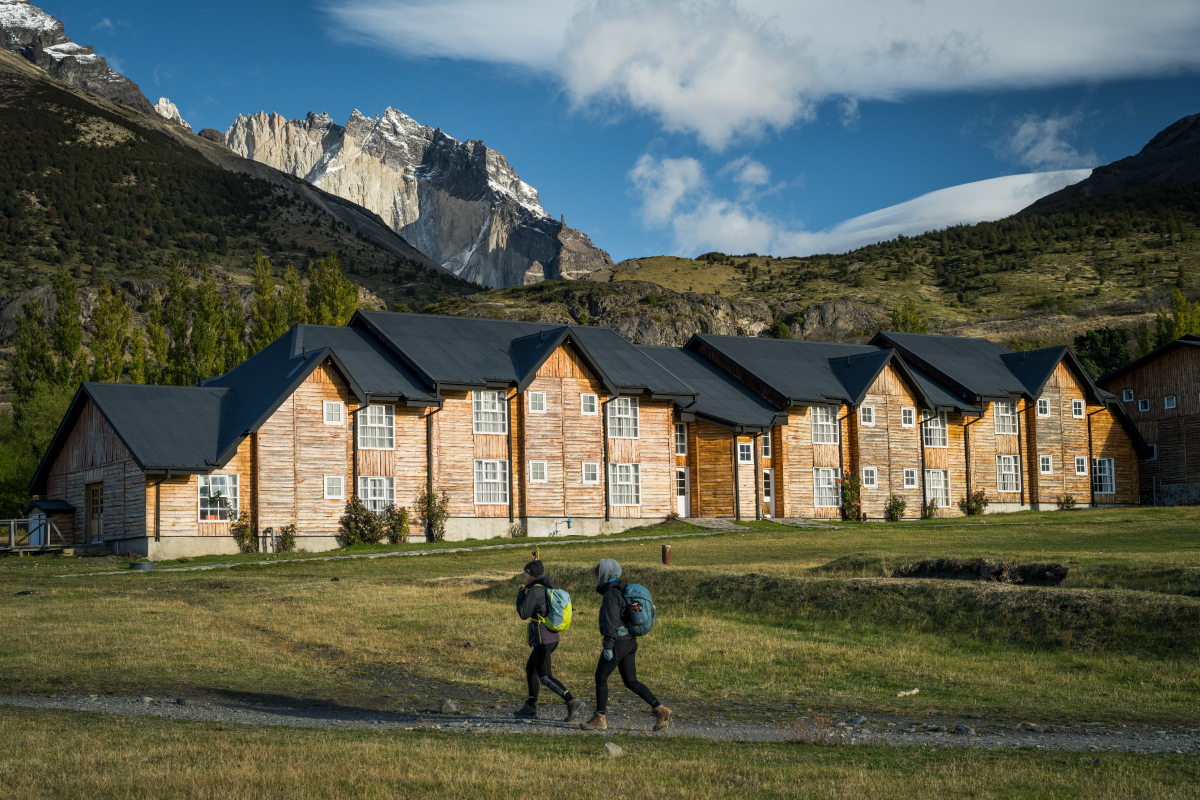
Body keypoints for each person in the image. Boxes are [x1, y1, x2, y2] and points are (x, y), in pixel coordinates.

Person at [579, 558, 671, 731]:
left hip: (618, 643)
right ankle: (661, 710)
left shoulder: (611, 594)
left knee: (601, 677)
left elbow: (610, 623)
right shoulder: (623, 589)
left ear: (605, 575)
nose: (596, 580)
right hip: (630, 642)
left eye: (597, 576)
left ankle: (600, 718)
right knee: (631, 681)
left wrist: (608, 646)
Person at [515, 559, 585, 721]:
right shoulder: (547, 588)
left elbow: (523, 613)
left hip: (542, 637)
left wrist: (520, 594)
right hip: (550, 635)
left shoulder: (536, 590)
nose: (524, 575)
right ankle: (530, 707)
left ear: (531, 575)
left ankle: (572, 701)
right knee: (531, 669)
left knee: (545, 676)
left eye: (525, 572)